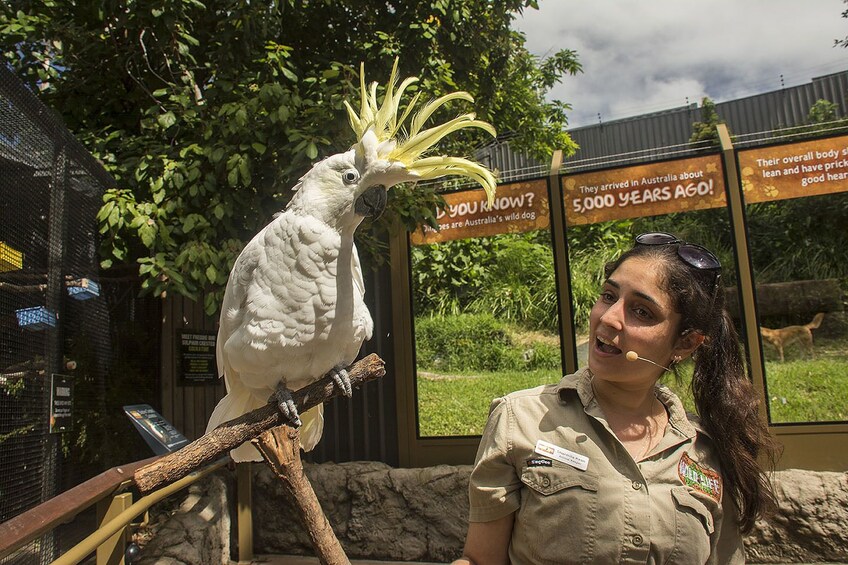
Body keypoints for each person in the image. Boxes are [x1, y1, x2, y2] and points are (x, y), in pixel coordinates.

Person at [453, 232, 778, 565]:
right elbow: (480, 560)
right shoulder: (519, 418)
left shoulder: (706, 449)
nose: (608, 318)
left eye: (642, 312)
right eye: (609, 296)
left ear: (686, 344)